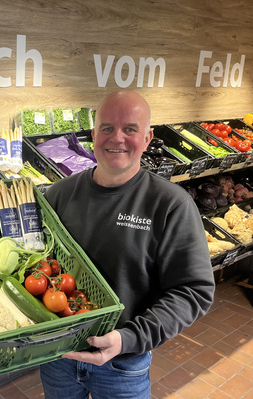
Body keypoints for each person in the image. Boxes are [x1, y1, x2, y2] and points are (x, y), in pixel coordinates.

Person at [40, 90, 215, 398]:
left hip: (122, 363)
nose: (117, 138)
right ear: (93, 134)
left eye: (130, 129)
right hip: (58, 358)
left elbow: (194, 290)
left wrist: (129, 338)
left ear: (147, 139)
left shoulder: (170, 205)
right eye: (107, 127)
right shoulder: (58, 194)